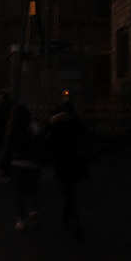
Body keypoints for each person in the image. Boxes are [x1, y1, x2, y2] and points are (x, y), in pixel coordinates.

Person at [46, 101, 90, 240]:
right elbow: (85, 136)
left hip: (61, 163)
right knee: (71, 191)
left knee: (67, 191)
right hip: (74, 162)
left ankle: (73, 220)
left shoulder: (56, 125)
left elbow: (48, 141)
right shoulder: (76, 123)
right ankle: (69, 217)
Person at [3, 104, 43, 231]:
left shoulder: (13, 127)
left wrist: (3, 164)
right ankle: (33, 212)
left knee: (18, 193)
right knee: (32, 191)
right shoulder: (33, 126)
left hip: (17, 164)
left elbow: (8, 147)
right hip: (32, 163)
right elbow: (40, 142)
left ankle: (21, 220)